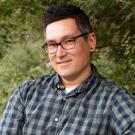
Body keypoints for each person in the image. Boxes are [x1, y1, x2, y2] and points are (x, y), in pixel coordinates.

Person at [0, 4, 135, 135]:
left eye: (68, 41)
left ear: (91, 41)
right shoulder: (26, 95)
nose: (59, 53)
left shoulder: (115, 101)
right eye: (52, 44)